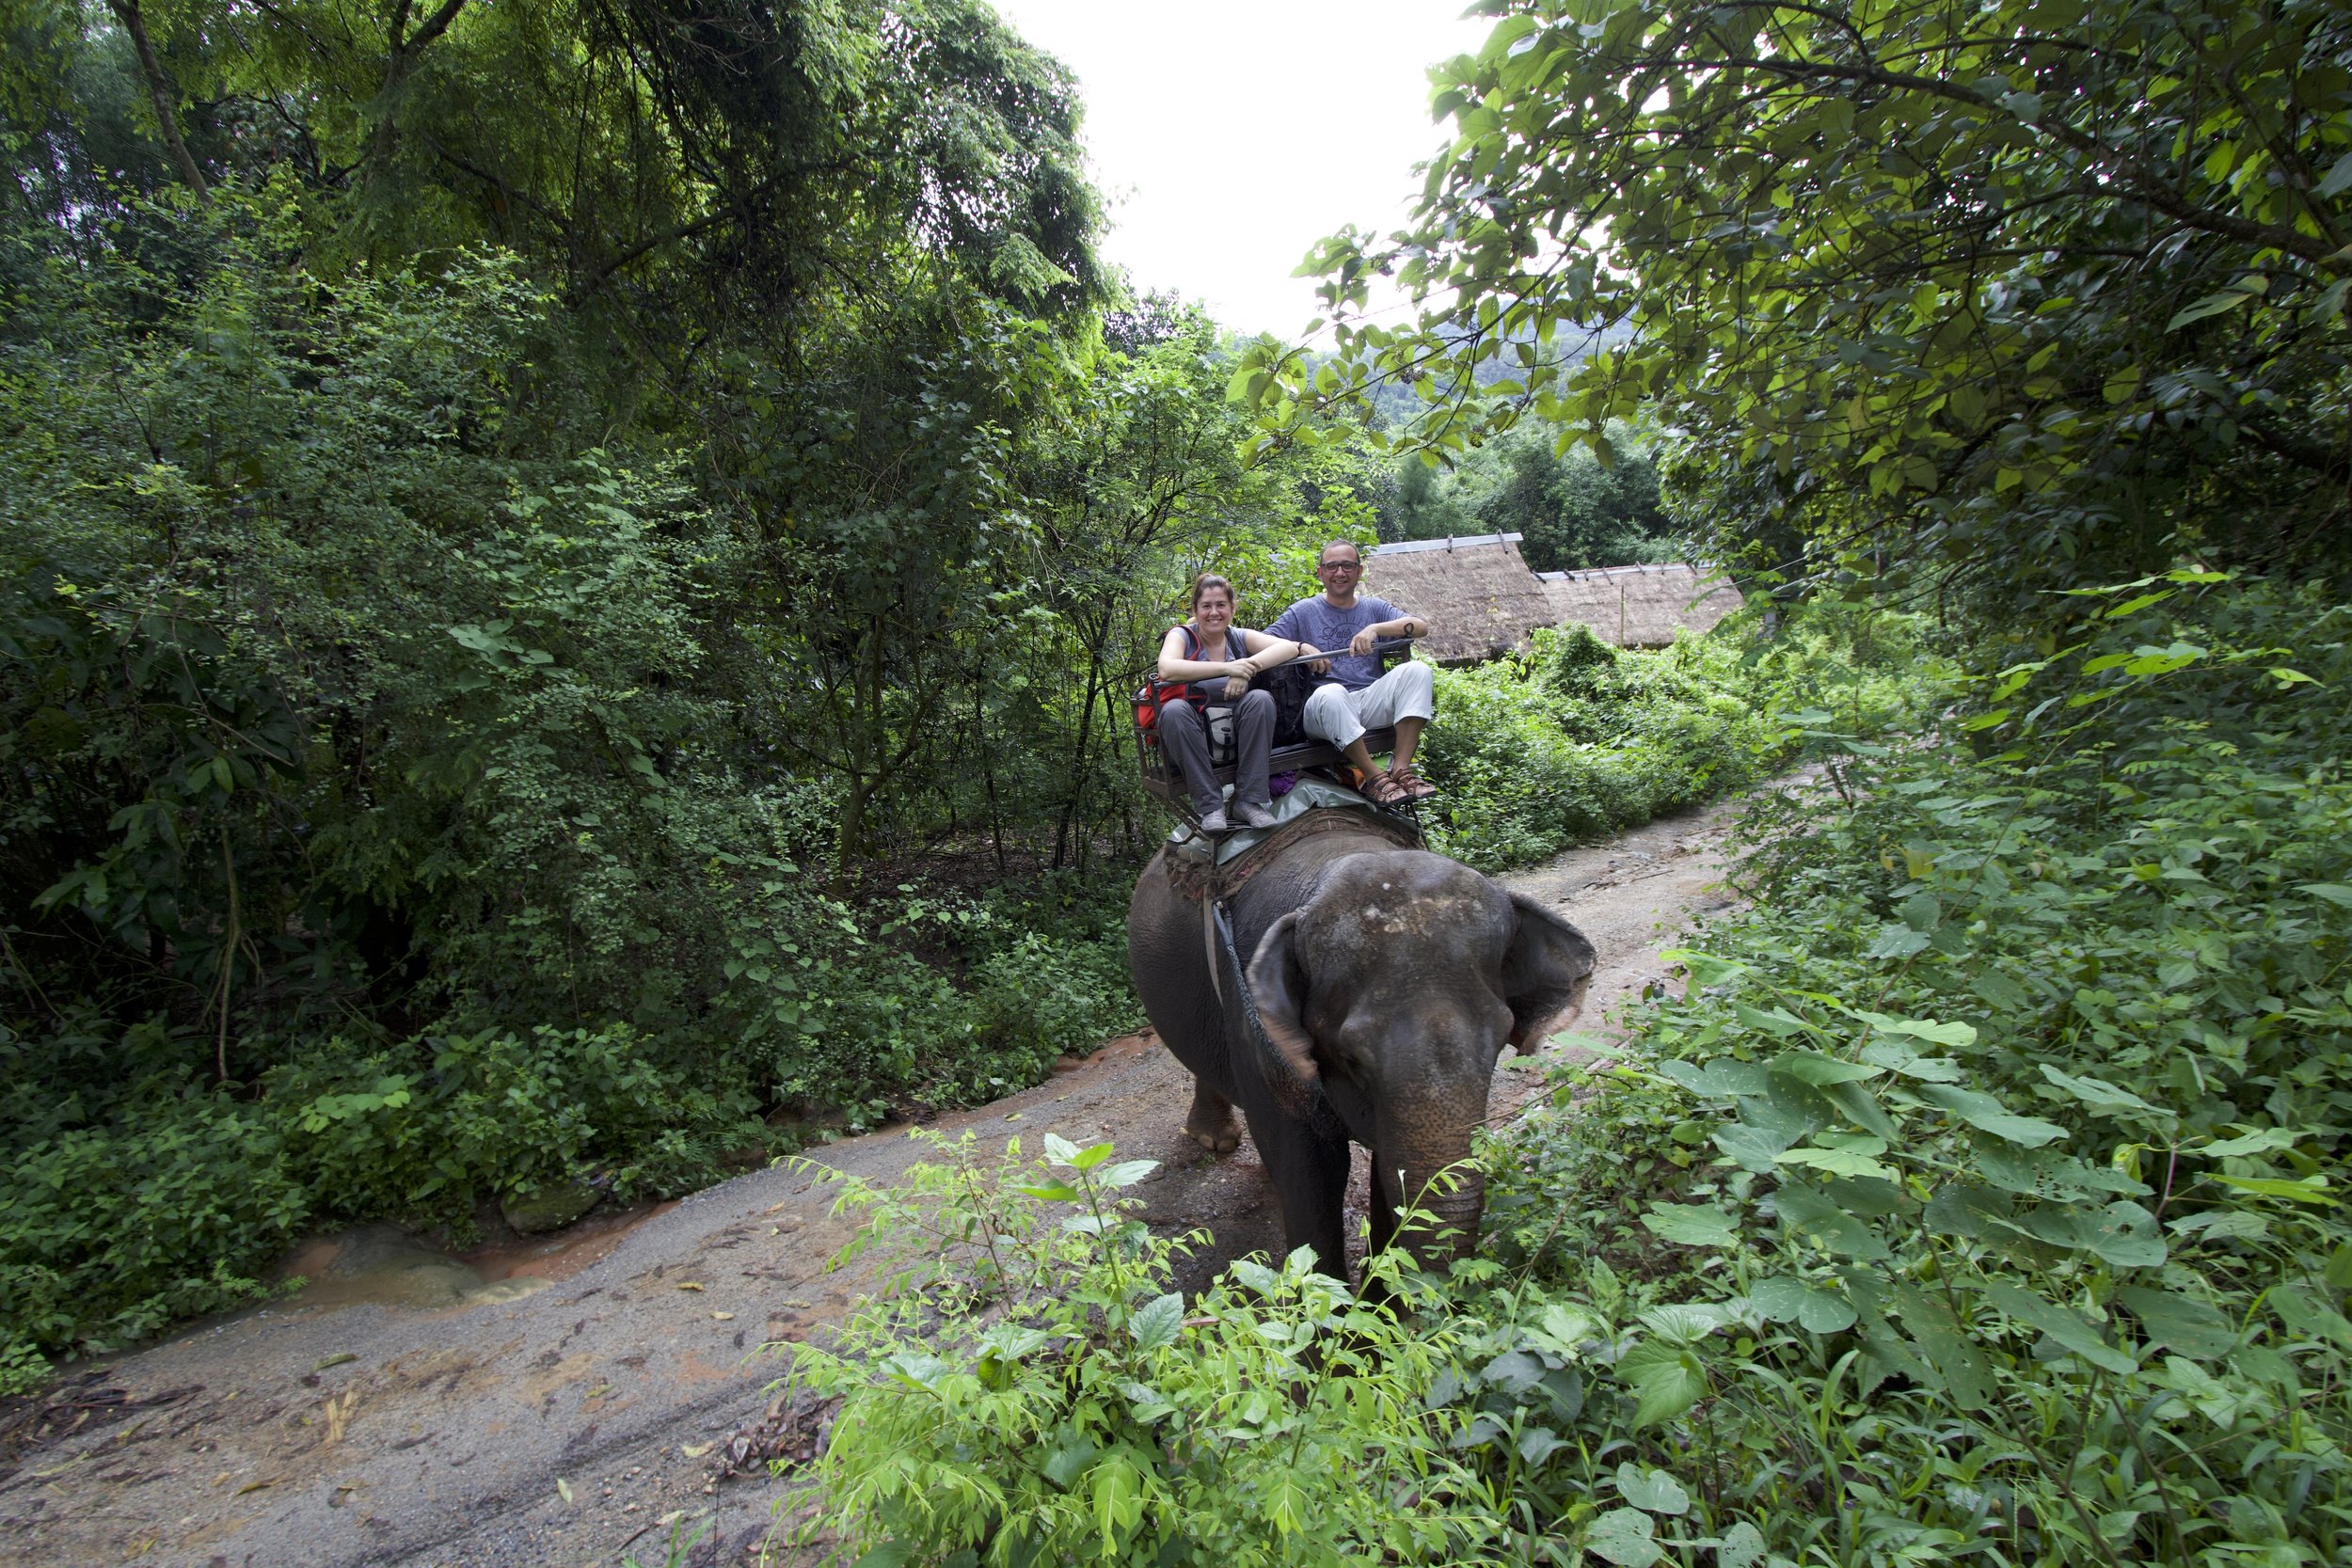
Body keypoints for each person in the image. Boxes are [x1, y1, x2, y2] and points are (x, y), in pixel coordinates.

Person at [1268, 540, 1437, 804]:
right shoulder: (1303, 611)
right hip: (1321, 711)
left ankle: (1402, 770)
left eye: (1347, 565)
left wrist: (1376, 629)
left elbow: (1421, 627)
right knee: (1332, 692)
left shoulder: (1374, 608)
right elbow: (1259, 640)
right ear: (1320, 572)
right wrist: (1298, 647)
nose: (1340, 573)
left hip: (1367, 700)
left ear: (1359, 571)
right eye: (1332, 566)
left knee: (1418, 670)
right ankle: (1374, 777)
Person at [1154, 574, 1307, 832]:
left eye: (1221, 605)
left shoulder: (1238, 637)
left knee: (1260, 699)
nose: (1214, 612)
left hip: (1238, 737)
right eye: (1206, 606)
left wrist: (1247, 668)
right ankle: (1210, 806)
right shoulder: (1182, 636)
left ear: (1232, 608)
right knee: (1172, 710)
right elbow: (1167, 669)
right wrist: (1228, 668)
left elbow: (1290, 648)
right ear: (1195, 610)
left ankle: (1249, 801)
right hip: (1197, 738)